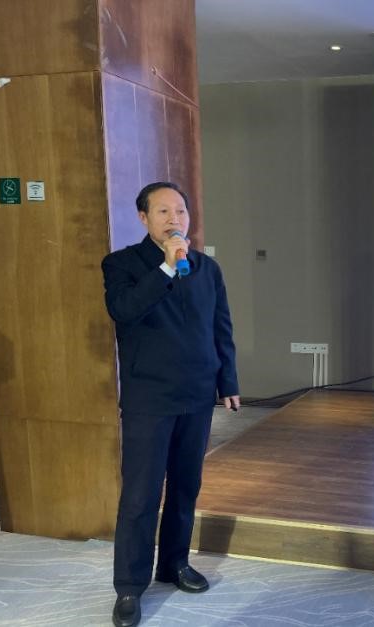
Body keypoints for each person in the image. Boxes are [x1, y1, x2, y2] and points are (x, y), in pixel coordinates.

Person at [102, 182, 240, 627]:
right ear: (143, 218)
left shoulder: (206, 268)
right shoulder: (122, 264)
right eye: (163, 211)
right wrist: (165, 267)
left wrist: (228, 381)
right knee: (141, 495)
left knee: (185, 487)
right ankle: (129, 586)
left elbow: (220, 328)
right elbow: (124, 310)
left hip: (197, 395)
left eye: (180, 211)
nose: (174, 219)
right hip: (149, 399)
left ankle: (175, 563)